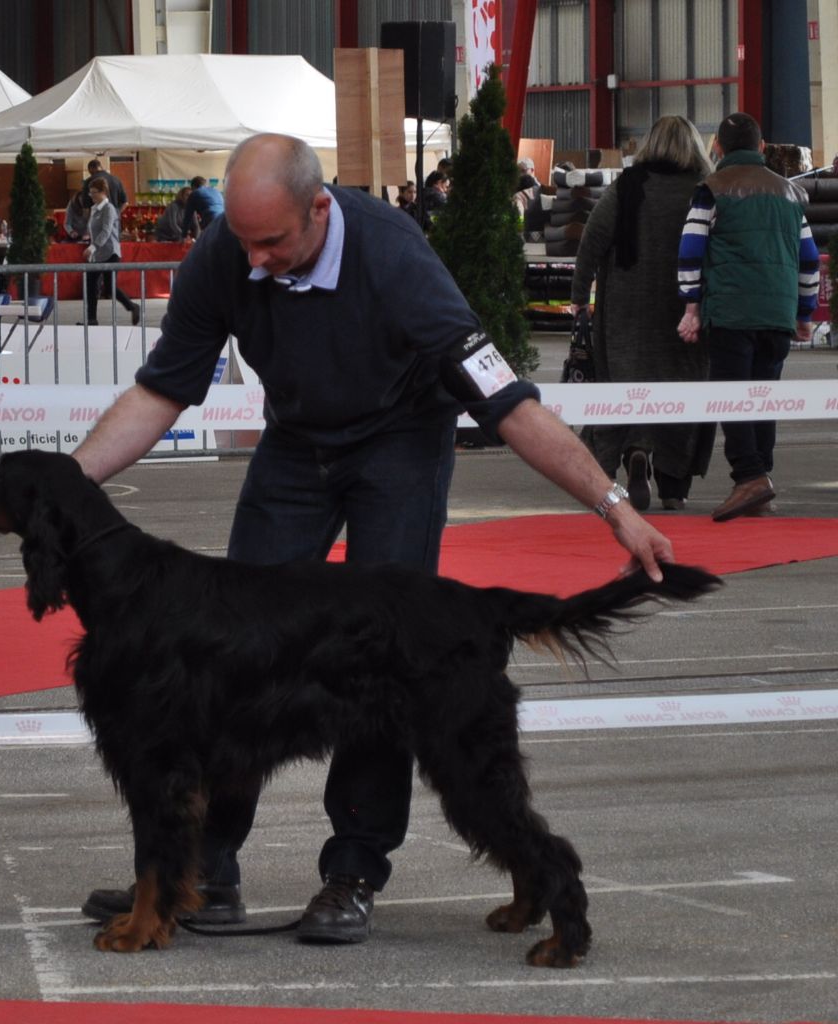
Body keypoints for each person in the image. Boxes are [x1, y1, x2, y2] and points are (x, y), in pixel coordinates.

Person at [75, 132, 673, 945]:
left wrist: (614, 506)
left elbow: (509, 405)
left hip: (399, 443)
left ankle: (353, 872)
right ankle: (203, 872)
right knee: (229, 657)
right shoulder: (225, 253)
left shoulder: (398, 263)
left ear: (319, 208)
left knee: (386, 658)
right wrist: (70, 493)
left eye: (273, 242)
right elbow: (162, 390)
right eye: (243, 242)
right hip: (294, 444)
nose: (254, 262)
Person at [677, 112, 820, 521]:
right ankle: (762, 485)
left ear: (718, 148)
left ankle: (749, 478)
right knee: (763, 400)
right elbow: (809, 261)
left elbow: (691, 247)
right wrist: (804, 312)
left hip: (732, 313)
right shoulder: (791, 194)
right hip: (776, 315)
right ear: (761, 148)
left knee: (732, 398)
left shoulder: (712, 188)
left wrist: (690, 304)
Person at [569, 115, 715, 511]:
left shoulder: (628, 187)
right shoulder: (704, 190)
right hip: (686, 311)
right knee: (683, 390)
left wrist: (579, 296)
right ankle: (673, 485)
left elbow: (592, 242)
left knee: (624, 385)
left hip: (625, 312)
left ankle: (635, 447)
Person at [79, 177, 140, 327]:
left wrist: (92, 247)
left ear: (103, 192)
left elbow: (106, 231)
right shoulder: (94, 209)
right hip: (97, 255)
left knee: (109, 288)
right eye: (90, 193)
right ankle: (91, 319)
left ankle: (132, 306)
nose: (91, 196)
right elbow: (96, 230)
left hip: (110, 253)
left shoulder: (109, 209)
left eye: (94, 193)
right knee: (90, 285)